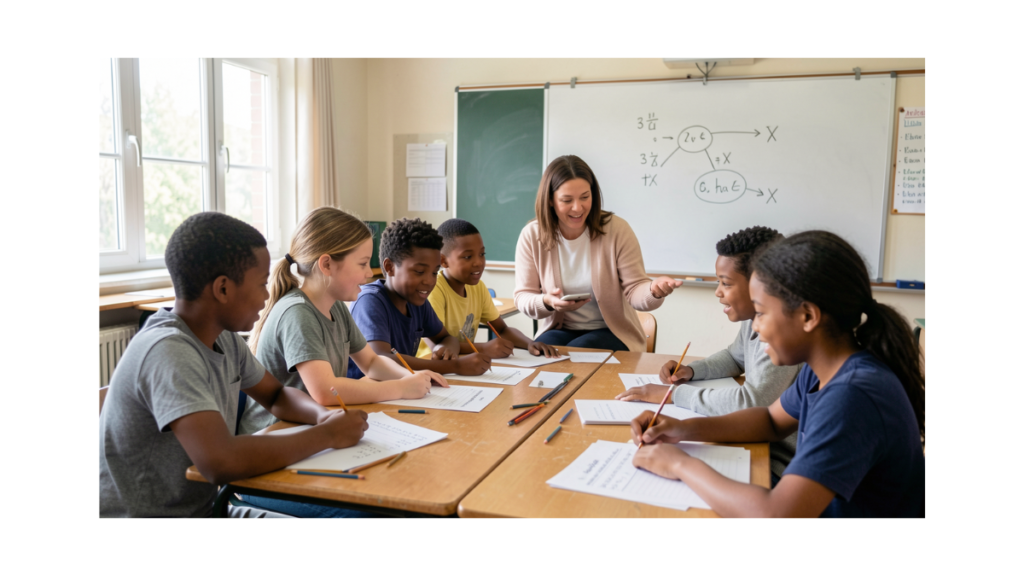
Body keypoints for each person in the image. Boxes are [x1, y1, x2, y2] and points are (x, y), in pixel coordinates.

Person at [629, 231, 925, 517]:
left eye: (760, 312)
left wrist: (681, 466)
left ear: (808, 316)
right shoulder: (823, 367)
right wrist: (683, 429)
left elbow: (776, 515)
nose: (755, 328)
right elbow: (770, 420)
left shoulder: (852, 396)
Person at [99, 212, 369, 518]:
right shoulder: (168, 351)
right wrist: (327, 436)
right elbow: (220, 462)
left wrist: (323, 417)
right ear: (223, 289)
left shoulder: (223, 338)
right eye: (260, 284)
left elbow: (277, 396)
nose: (267, 295)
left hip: (208, 510)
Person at [615, 226, 801, 484]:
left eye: (725, 283)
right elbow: (737, 358)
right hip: (759, 445)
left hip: (777, 464)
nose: (717, 291)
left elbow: (752, 403)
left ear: (763, 284)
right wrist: (692, 371)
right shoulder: (756, 320)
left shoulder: (785, 335)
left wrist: (674, 396)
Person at [239, 207, 447, 437]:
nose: (369, 273)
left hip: (314, 427)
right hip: (276, 435)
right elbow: (326, 391)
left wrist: (410, 378)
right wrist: (400, 388)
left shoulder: (335, 305)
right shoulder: (297, 313)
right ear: (327, 265)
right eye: (362, 263)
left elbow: (371, 362)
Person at [514, 155, 682, 352]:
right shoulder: (532, 235)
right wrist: (547, 302)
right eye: (567, 200)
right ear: (550, 200)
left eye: (585, 197)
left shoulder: (616, 230)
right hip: (559, 328)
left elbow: (635, 289)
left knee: (579, 351)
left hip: (612, 331)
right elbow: (523, 296)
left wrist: (653, 290)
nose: (578, 207)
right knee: (542, 351)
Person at [348, 217, 492, 378]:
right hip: (364, 396)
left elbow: (445, 337)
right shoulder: (369, 301)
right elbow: (381, 360)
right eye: (419, 272)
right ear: (390, 267)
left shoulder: (416, 301)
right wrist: (454, 365)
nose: (430, 281)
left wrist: (444, 349)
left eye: (433, 272)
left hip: (401, 391)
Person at [417, 218, 559, 360]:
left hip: (462, 363)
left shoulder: (478, 288)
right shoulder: (434, 290)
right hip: (431, 365)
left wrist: (530, 343)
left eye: (482, 254)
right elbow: (440, 345)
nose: (478, 262)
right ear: (443, 261)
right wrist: (484, 348)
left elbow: (502, 330)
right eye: (467, 257)